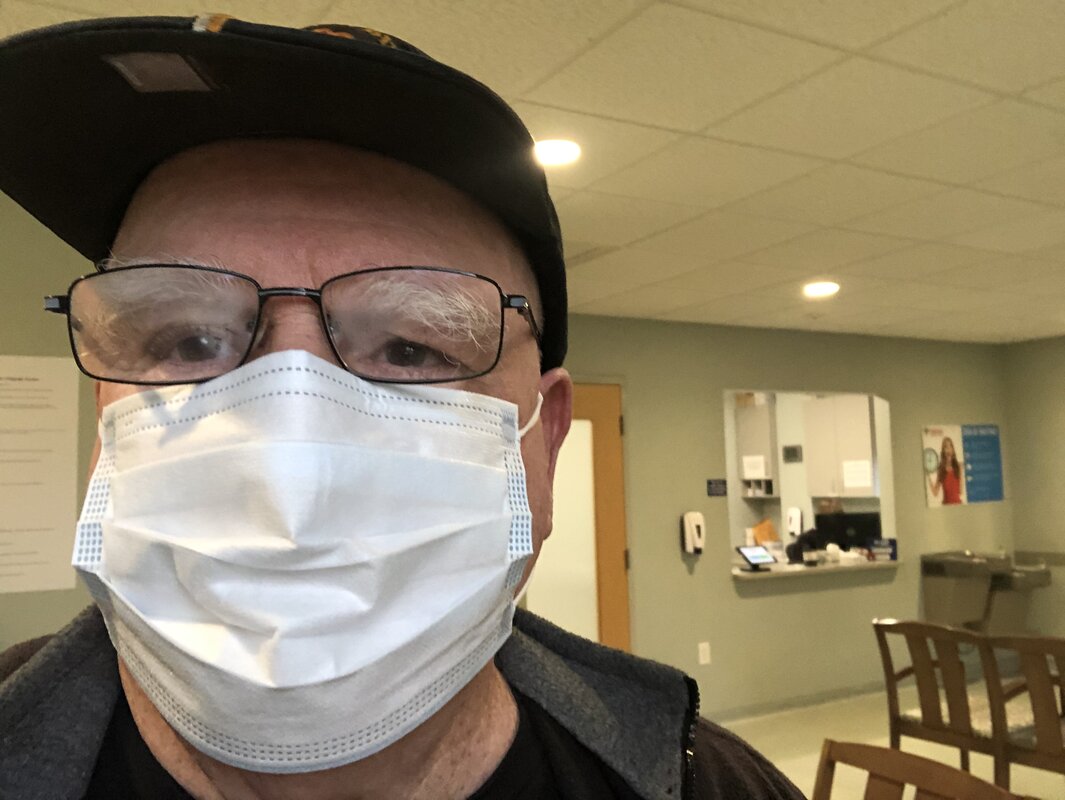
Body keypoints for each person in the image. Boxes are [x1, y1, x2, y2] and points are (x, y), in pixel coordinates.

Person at [0, 16, 806, 800]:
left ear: (544, 440)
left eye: (412, 350)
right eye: (188, 340)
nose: (292, 468)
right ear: (104, 411)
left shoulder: (711, 785)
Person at [928, 437, 964, 505]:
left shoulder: (958, 467)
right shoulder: (941, 469)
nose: (949, 449)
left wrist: (961, 471)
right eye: (946, 447)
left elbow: (961, 491)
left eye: (950, 446)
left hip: (958, 505)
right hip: (946, 506)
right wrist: (928, 478)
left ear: (953, 450)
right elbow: (935, 493)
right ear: (943, 451)